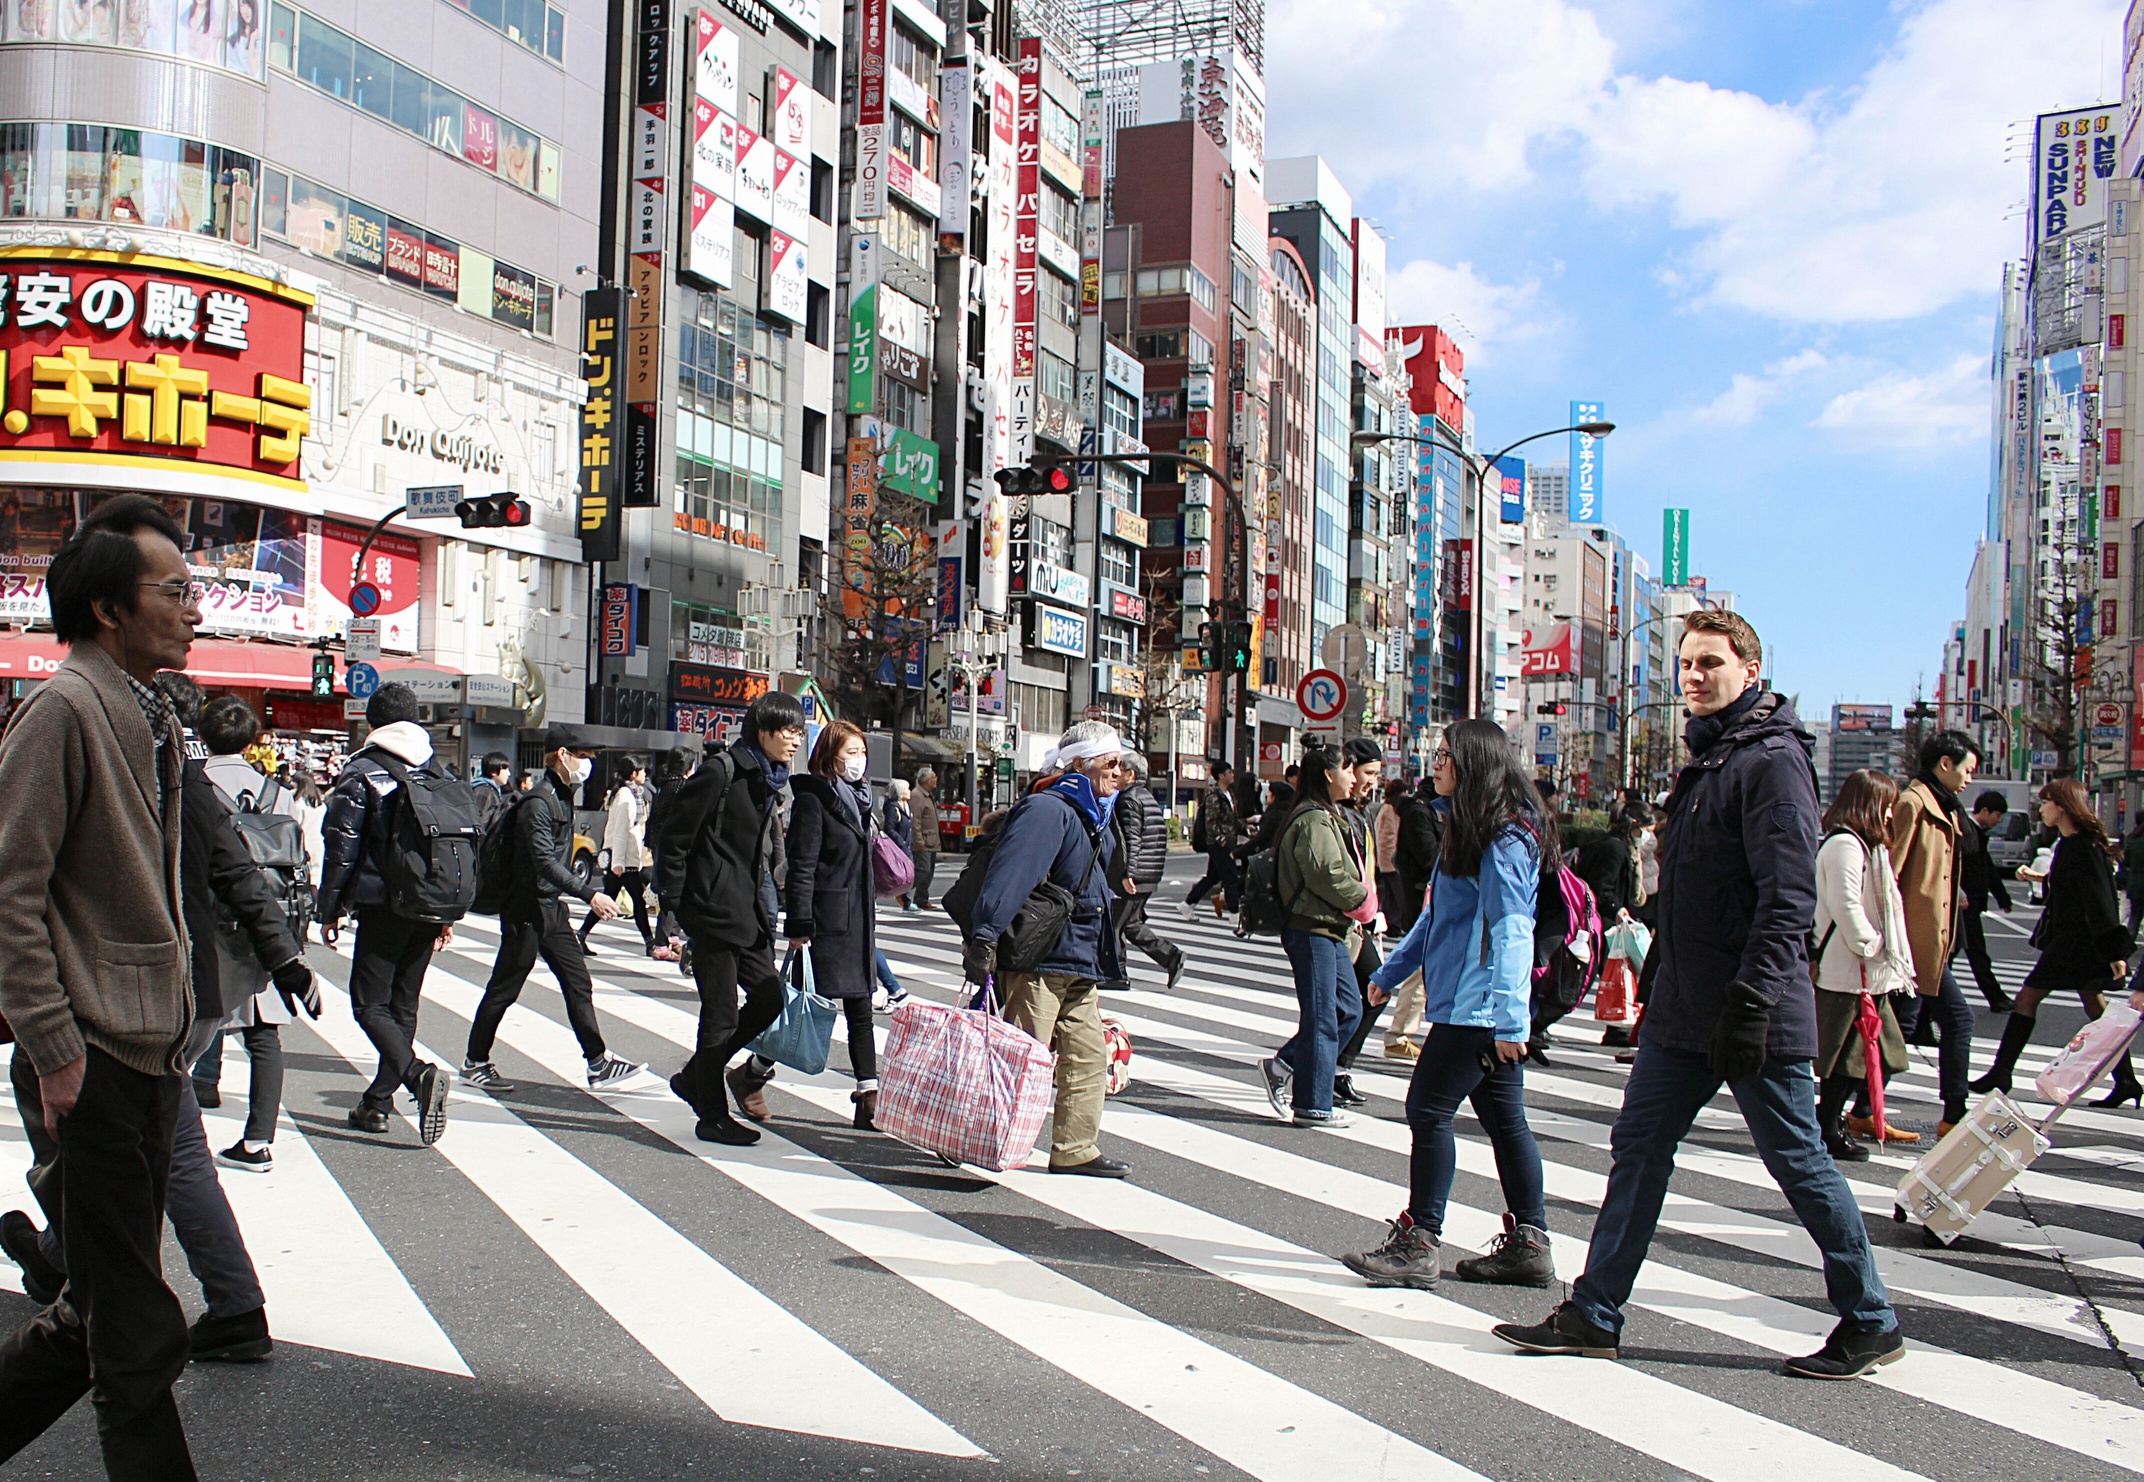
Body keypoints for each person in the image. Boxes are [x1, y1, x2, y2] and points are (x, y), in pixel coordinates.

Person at [1493, 608, 1903, 1380]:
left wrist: (1751, 1003)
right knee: (1639, 1149)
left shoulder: (1772, 761)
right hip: (1684, 1008)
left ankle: (1870, 1317)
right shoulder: (1714, 759)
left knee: (1797, 1161)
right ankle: (1594, 1312)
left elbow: (1788, 898)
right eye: (1686, 664)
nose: (1694, 676)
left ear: (1752, 670)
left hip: (1752, 1008)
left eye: (1711, 663)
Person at [0, 495, 204, 1475]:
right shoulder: (62, 709)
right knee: (135, 1334)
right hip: (95, 1056)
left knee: (96, 1317)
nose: (196, 607)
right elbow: (11, 888)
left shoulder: (147, 710)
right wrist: (54, 1049)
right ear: (110, 610)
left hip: (148, 1050)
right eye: (174, 590)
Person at [1344, 719, 1555, 1288]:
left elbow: (1513, 929)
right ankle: (1528, 1245)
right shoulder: (1470, 827)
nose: (1434, 764)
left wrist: (1513, 1020)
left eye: (1444, 755)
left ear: (1474, 762)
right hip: (1472, 1004)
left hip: (1480, 1007)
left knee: (1428, 1110)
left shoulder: (1505, 836)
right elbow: (1439, 919)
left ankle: (1420, 1242)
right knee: (1506, 1121)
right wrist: (1390, 973)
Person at [960, 721, 1131, 1177]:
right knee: (1022, 1059)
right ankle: (986, 1135)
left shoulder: (1091, 814)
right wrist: (985, 936)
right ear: (1079, 765)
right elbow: (1011, 874)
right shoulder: (1047, 809)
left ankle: (1076, 1149)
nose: (1119, 773)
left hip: (1077, 958)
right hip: (1040, 959)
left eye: (1121, 764)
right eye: (1110, 763)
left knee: (1089, 1055)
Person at [658, 691, 808, 1145]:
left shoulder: (769, 780)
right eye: (787, 731)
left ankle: (692, 1078)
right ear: (761, 731)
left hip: (748, 913)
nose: (795, 740)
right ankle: (711, 1115)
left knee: (768, 999)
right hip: (712, 912)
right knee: (720, 1016)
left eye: (799, 732)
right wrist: (677, 908)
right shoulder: (720, 772)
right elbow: (675, 839)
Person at [464, 733, 650, 1095]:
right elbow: (543, 861)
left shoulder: (562, 796)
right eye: (583, 755)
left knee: (577, 981)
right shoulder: (538, 802)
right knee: (505, 988)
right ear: (562, 755)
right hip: (526, 908)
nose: (588, 763)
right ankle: (475, 1061)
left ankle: (598, 1062)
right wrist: (589, 894)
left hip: (549, 908)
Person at [317, 683, 459, 1142]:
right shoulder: (435, 768)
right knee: (404, 1003)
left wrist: (330, 908)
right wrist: (444, 914)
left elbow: (341, 846)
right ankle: (377, 1103)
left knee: (369, 1003)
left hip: (382, 905)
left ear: (372, 723)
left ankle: (416, 1076)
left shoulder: (363, 770)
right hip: (427, 903)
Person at [1969, 777, 2138, 1104]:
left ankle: (2002, 1072)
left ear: (2062, 806)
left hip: (2076, 944)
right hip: (2073, 941)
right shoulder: (2072, 844)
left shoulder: (2083, 847)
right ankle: (2127, 1080)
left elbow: (2100, 902)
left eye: (2046, 803)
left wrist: (2115, 952)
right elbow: (2069, 888)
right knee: (2095, 1008)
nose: (2041, 810)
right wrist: (2038, 879)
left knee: (2027, 998)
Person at [189, 693, 303, 1170]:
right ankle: (258, 1139)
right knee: (262, 1029)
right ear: (254, 740)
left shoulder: (192, 787)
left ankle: (196, 1102)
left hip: (206, 918)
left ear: (202, 736)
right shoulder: (280, 794)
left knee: (199, 1013)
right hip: (267, 920)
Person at [1850, 730, 1982, 1144]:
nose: (1969, 779)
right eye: (1967, 769)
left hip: (1926, 943)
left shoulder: (1943, 806)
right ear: (1945, 764)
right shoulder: (1912, 805)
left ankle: (1862, 1110)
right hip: (1910, 944)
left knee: (1900, 1027)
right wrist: (1886, 940)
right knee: (1957, 1020)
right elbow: (1887, 874)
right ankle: (1953, 1114)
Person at [1257, 746, 1369, 1129]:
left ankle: (1285, 1064)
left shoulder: (1326, 815)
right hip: (1311, 928)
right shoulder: (1313, 821)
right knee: (1324, 1015)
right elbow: (1327, 874)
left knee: (1347, 1010)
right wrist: (1362, 897)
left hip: (1327, 927)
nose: (1353, 778)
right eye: (1348, 770)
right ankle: (1312, 1104)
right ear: (1327, 774)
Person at [786, 722, 890, 1129]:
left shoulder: (863, 801)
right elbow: (802, 866)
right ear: (830, 756)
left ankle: (868, 1096)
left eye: (862, 753)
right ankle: (754, 1071)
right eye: (850, 753)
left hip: (859, 921)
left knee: (860, 1009)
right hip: (826, 923)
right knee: (806, 1010)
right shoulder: (814, 799)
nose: (859, 761)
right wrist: (799, 923)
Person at [1811, 769, 1915, 1162]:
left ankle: (1831, 1121)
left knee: (1872, 1054)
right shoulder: (1845, 846)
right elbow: (1845, 904)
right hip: (1851, 967)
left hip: (1866, 969)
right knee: (1847, 1056)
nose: (1890, 815)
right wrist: (1872, 945)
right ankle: (1829, 1125)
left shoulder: (1864, 846)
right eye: (1887, 806)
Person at [1334, 737, 1390, 1104]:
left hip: (1361, 919)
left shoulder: (1361, 810)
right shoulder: (1334, 812)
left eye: (1375, 775)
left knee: (1373, 993)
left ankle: (1337, 1066)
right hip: (1341, 921)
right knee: (1357, 998)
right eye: (1367, 772)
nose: (1371, 781)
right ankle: (1311, 1067)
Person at [1110, 750, 1184, 990]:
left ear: (1130, 774)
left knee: (1115, 924)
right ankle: (1170, 957)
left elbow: (1131, 839)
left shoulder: (1128, 799)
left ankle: (1116, 974)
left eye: (1119, 769)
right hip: (1148, 873)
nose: (1115, 773)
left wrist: (1127, 872)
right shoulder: (1147, 797)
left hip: (1135, 874)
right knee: (1129, 924)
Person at [581, 756, 654, 956]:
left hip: (624, 857)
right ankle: (650, 942)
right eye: (642, 770)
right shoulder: (625, 796)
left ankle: (581, 934)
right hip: (621, 858)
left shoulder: (632, 793)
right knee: (637, 902)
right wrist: (618, 862)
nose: (645, 774)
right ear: (633, 773)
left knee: (611, 897)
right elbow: (621, 831)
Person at [1960, 789, 2017, 1014]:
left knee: (1959, 956)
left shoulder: (1977, 833)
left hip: (1968, 904)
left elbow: (1987, 868)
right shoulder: (1967, 831)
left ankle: (1929, 1006)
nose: (1999, 820)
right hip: (1964, 904)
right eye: (1997, 815)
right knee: (1976, 954)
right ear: (1984, 811)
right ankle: (1996, 998)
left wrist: (2002, 897)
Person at [644, 749, 700, 963]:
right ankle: (661, 943)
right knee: (672, 893)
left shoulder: (663, 786)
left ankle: (672, 937)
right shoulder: (684, 788)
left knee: (673, 892)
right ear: (688, 767)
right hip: (676, 848)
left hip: (660, 845)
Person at [1181, 761, 1243, 919]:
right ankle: (1235, 913)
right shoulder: (1214, 796)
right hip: (1218, 843)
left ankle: (1188, 904)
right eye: (1229, 773)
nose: (1232, 775)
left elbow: (1233, 819)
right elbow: (1211, 821)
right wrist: (1220, 838)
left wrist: (1247, 828)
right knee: (1230, 876)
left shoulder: (1230, 794)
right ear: (1221, 776)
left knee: (1213, 877)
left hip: (1229, 840)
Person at [882, 778, 918, 914]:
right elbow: (889, 828)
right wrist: (901, 842)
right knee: (889, 874)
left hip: (906, 846)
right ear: (900, 792)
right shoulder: (892, 807)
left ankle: (907, 902)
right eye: (907, 789)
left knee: (909, 874)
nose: (909, 792)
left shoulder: (906, 806)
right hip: (897, 847)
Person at [910, 769, 944, 910]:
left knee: (929, 872)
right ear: (926, 780)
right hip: (923, 840)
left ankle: (921, 898)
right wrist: (918, 841)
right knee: (923, 869)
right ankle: (903, 890)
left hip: (931, 840)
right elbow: (915, 820)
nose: (936, 779)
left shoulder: (928, 796)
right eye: (933, 777)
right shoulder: (917, 796)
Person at [471, 751, 515, 835]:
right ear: (493, 772)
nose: (509, 774)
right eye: (505, 769)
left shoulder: (491, 790)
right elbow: (478, 821)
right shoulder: (484, 791)